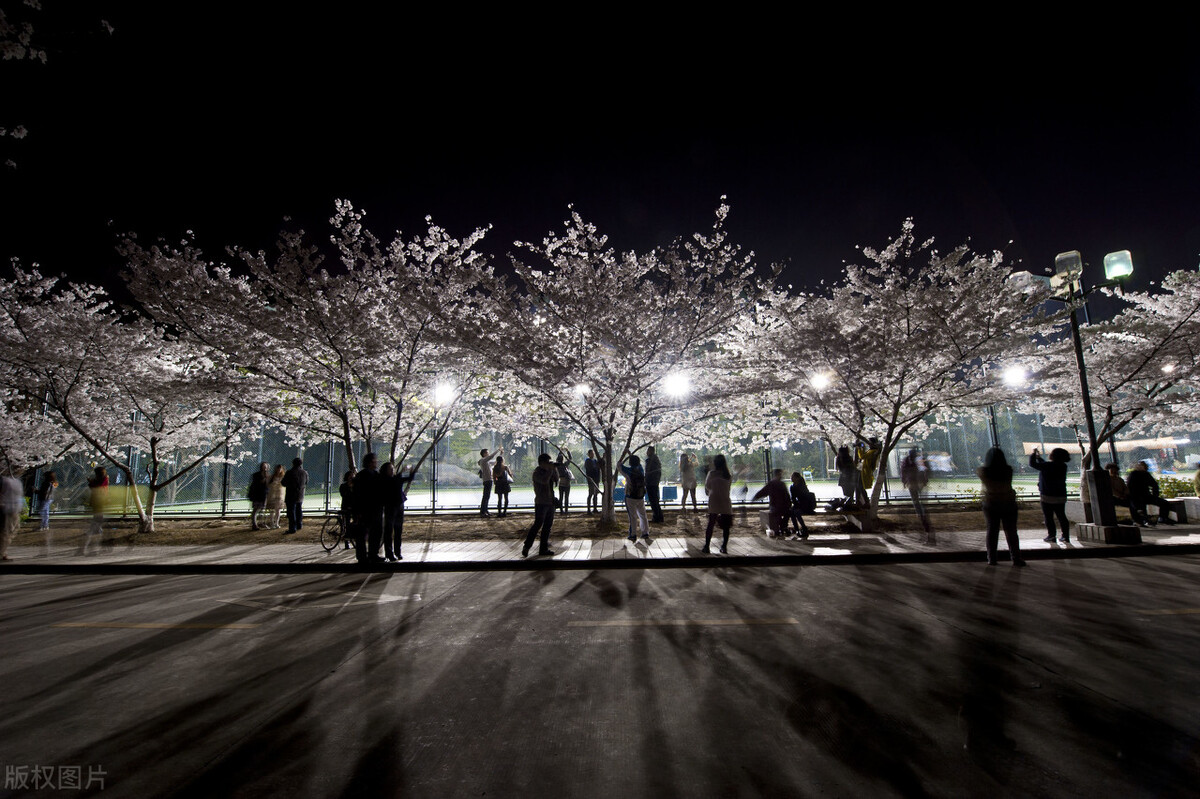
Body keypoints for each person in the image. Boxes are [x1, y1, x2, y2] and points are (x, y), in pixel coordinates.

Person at [977, 447, 1025, 567]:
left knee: (992, 531)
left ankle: (992, 558)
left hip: (991, 502)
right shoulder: (1008, 470)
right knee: (1012, 532)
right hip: (1008, 501)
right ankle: (1016, 558)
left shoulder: (983, 471)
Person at [1029, 447, 1071, 543]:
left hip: (1047, 495)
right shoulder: (1063, 466)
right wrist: (1039, 458)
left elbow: (1033, 464)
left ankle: (1051, 535)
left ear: (1053, 456)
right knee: (1061, 516)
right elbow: (1045, 465)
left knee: (1048, 517)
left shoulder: (1047, 465)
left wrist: (1033, 455)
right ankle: (1065, 536)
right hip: (1060, 495)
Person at [523, 453, 557, 558]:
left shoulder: (549, 471)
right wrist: (551, 470)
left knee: (547, 526)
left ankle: (543, 549)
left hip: (550, 502)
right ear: (542, 463)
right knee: (537, 525)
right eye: (547, 463)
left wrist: (554, 470)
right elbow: (544, 481)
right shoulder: (537, 473)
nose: (549, 465)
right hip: (541, 502)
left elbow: (556, 481)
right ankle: (527, 546)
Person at [354, 453, 385, 563]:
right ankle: (371, 554)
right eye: (374, 461)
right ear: (370, 462)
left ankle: (364, 556)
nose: (376, 463)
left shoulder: (362, 475)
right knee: (372, 532)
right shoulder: (370, 475)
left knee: (367, 533)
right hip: (370, 508)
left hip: (369, 508)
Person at [382, 462, 416, 562]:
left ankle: (398, 552)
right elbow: (393, 481)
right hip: (390, 506)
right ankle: (389, 553)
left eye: (393, 468)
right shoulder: (386, 480)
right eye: (390, 469)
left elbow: (408, 479)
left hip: (399, 505)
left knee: (398, 530)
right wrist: (401, 472)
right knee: (389, 530)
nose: (392, 470)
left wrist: (411, 471)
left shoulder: (396, 478)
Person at [1127, 460, 1175, 526]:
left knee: (1164, 503)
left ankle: (1163, 518)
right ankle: (1143, 520)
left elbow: (1154, 485)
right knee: (1140, 506)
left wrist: (1155, 496)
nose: (1144, 468)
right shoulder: (1133, 475)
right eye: (1141, 466)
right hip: (1136, 497)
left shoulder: (1146, 474)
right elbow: (1130, 487)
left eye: (1144, 466)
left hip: (1146, 496)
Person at [703, 454, 734, 554]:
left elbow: (708, 486)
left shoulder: (711, 474)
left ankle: (707, 546)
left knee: (711, 523)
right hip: (725, 499)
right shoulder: (728, 475)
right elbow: (728, 487)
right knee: (726, 526)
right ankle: (724, 546)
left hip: (714, 499)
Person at [900, 448, 932, 539]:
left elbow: (903, 471)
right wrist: (925, 480)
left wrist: (904, 481)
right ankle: (922, 512)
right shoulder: (919, 460)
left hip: (912, 482)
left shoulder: (906, 461)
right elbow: (926, 470)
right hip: (920, 482)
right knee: (921, 499)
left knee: (915, 499)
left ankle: (919, 512)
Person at [78, 466, 109, 556]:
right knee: (97, 513)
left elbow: (98, 487)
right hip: (97, 498)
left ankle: (97, 528)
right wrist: (91, 482)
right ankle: (97, 528)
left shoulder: (104, 479)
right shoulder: (100, 479)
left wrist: (91, 482)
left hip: (100, 498)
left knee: (98, 514)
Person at [752, 468, 791, 538]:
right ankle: (783, 527)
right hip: (780, 506)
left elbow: (763, 492)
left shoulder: (772, 484)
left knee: (778, 513)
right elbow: (787, 496)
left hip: (775, 506)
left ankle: (781, 527)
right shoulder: (781, 484)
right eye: (780, 474)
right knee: (785, 513)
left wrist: (755, 498)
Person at [620, 454, 650, 544]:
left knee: (632, 516)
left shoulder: (628, 471)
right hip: (640, 496)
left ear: (630, 462)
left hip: (630, 497)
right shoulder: (640, 470)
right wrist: (630, 454)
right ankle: (645, 532)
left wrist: (624, 454)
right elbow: (637, 463)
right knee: (642, 515)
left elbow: (619, 465)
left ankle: (633, 534)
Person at [281, 457, 308, 535]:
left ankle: (292, 528)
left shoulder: (290, 472)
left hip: (291, 494)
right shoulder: (304, 472)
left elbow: (283, 483)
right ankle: (299, 524)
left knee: (291, 512)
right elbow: (306, 482)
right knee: (299, 510)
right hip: (300, 494)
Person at [0, 472, 22, 562]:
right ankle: (2, 553)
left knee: (11, 530)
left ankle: (3, 552)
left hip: (12, 509)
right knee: (5, 532)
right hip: (7, 509)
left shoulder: (14, 481)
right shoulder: (5, 481)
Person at [477, 448, 503, 517]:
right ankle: (483, 512)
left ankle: (485, 510)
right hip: (487, 480)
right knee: (485, 496)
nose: (488, 454)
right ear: (484, 454)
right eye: (487, 452)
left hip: (489, 480)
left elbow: (495, 462)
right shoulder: (483, 460)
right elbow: (491, 457)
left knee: (487, 496)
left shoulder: (486, 462)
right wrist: (498, 450)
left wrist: (500, 454)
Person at [856, 437, 881, 507]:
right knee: (860, 486)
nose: (869, 445)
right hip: (865, 470)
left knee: (860, 486)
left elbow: (862, 456)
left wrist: (859, 449)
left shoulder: (872, 452)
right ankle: (863, 501)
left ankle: (866, 502)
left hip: (866, 471)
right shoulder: (872, 451)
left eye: (870, 443)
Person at [788, 471, 813, 539]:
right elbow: (793, 498)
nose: (791, 478)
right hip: (800, 504)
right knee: (792, 512)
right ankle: (797, 529)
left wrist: (796, 505)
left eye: (792, 477)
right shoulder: (793, 487)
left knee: (796, 512)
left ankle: (803, 528)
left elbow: (804, 499)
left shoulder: (801, 486)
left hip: (806, 505)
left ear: (796, 478)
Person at [248, 462, 270, 531]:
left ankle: (261, 522)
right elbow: (255, 484)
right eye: (264, 466)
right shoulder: (256, 475)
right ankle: (254, 524)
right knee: (256, 509)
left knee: (262, 509)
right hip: (257, 494)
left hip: (264, 494)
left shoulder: (267, 475)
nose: (265, 468)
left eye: (266, 466)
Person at [338, 468, 356, 549]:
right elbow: (344, 496)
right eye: (350, 476)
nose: (351, 478)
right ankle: (346, 542)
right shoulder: (343, 486)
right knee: (347, 523)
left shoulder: (356, 486)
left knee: (356, 522)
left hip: (353, 507)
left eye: (353, 476)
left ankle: (352, 537)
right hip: (346, 507)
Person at [645, 446, 663, 523]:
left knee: (653, 500)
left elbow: (648, 471)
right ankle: (659, 516)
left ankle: (656, 517)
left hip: (651, 483)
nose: (646, 452)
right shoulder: (656, 460)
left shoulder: (650, 460)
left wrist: (645, 479)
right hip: (655, 482)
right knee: (655, 500)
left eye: (648, 451)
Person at [265, 464, 285, 529]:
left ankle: (276, 523)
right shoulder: (272, 477)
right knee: (272, 510)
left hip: (280, 495)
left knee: (278, 510)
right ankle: (272, 523)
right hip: (272, 495)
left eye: (280, 469)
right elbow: (268, 484)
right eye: (278, 469)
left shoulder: (283, 476)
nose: (279, 470)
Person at [584, 450, 602, 514]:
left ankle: (595, 508)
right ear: (588, 454)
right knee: (591, 494)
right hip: (591, 480)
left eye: (593, 453)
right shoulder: (587, 461)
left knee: (596, 494)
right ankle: (588, 509)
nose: (593, 454)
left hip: (596, 480)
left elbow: (599, 467)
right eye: (591, 453)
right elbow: (590, 469)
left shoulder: (595, 461)